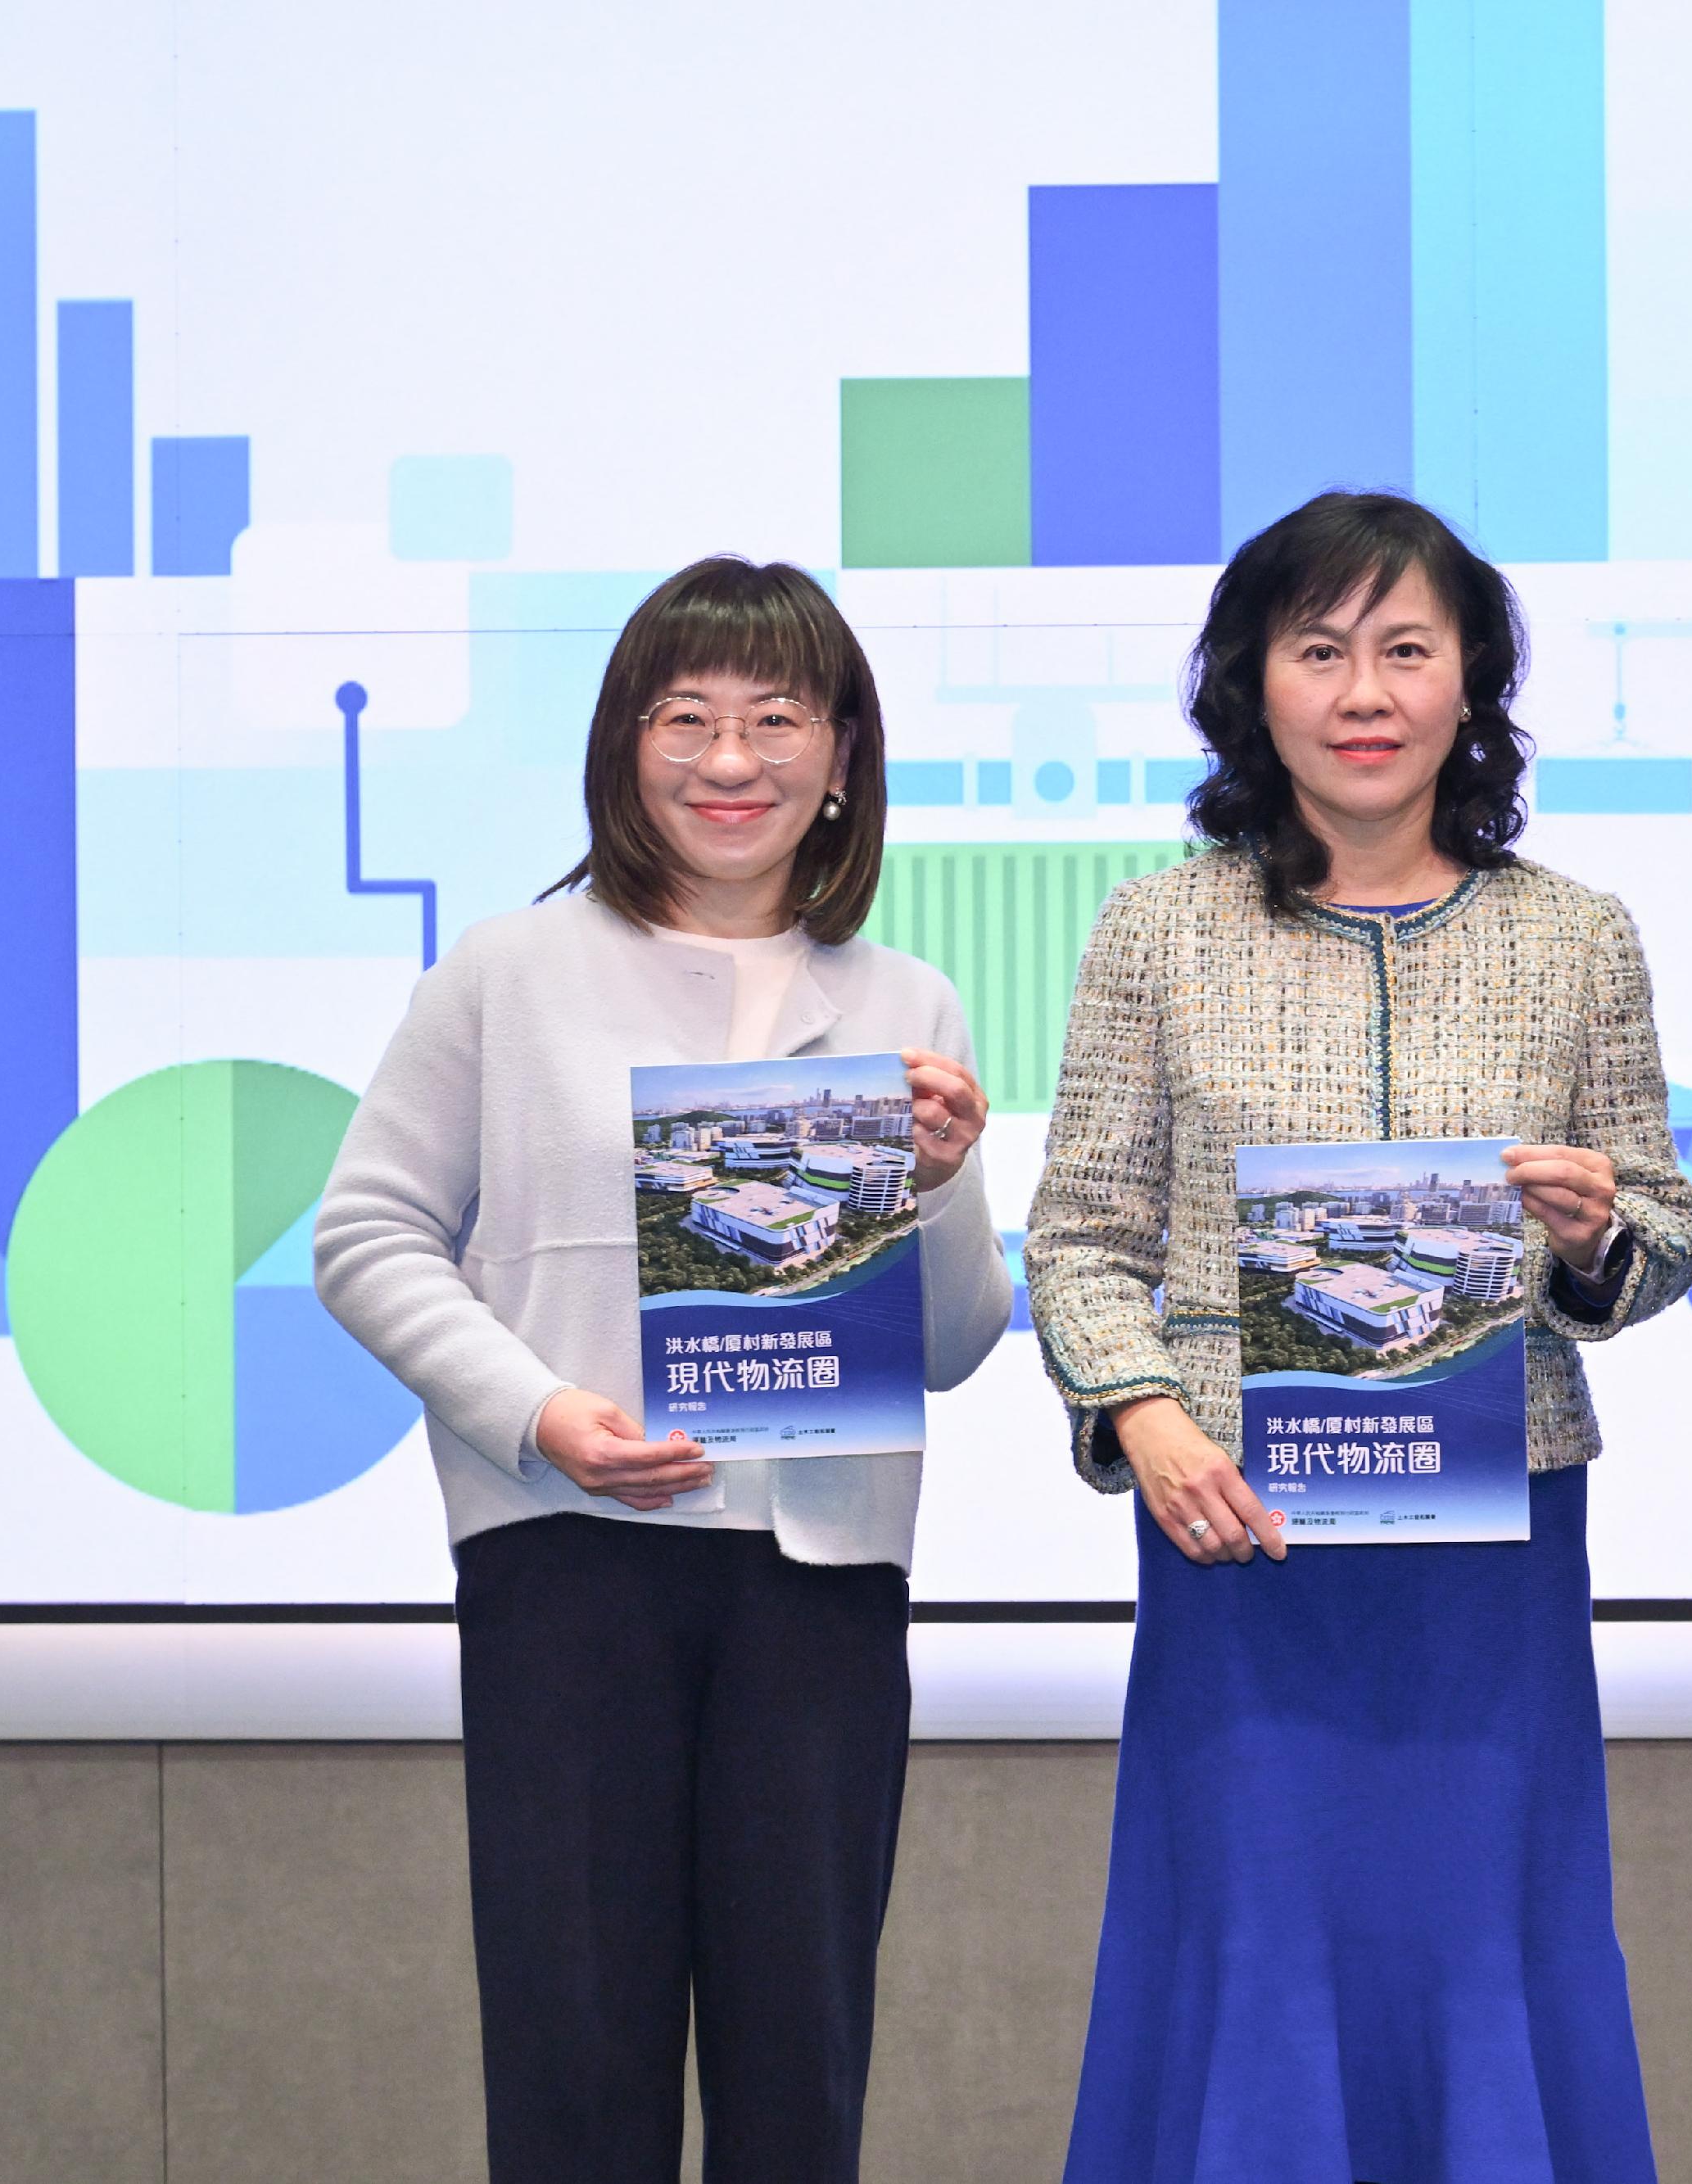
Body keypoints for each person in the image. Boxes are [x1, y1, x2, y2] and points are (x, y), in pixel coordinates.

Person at [314, 556, 1013, 2184]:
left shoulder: (903, 997)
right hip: (566, 1568)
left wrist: (942, 1174)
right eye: (684, 716)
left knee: (798, 2069)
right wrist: (534, 1412)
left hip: (816, 1578)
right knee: (572, 2058)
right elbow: (367, 1233)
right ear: (622, 745)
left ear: (843, 757)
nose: (729, 759)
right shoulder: (507, 969)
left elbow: (960, 1340)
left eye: (777, 718)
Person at [1027, 491, 1692, 2184]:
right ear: (1249, 685)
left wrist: (1587, 1237)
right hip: (1240, 1547)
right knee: (1251, 1940)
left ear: (1471, 679)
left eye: (1405, 647)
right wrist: (1148, 1422)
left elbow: (1664, 1234)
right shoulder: (1154, 930)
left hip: (1494, 1560)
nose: (1364, 688)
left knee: (1491, 1932)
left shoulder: (1575, 937)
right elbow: (1082, 1237)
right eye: (1317, 649)